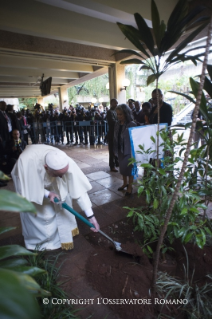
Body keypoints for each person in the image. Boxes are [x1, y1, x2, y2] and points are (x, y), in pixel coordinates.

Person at [11, 145, 100, 251]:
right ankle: (41, 244)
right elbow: (28, 186)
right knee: (41, 213)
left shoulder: (66, 161)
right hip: (27, 177)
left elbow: (79, 191)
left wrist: (92, 217)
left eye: (63, 174)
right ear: (45, 167)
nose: (62, 178)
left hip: (52, 173)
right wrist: (48, 194)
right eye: (59, 175)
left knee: (62, 201)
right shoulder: (25, 161)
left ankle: (59, 237)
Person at [113, 104, 136, 196]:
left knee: (129, 169)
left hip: (129, 150)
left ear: (126, 114)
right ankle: (124, 183)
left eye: (121, 114)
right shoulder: (117, 123)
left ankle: (130, 187)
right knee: (122, 168)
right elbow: (115, 136)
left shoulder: (131, 124)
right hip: (120, 149)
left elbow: (135, 139)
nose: (119, 116)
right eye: (117, 114)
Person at [106, 99, 119, 172]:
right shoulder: (109, 112)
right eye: (115, 103)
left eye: (117, 103)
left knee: (116, 149)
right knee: (112, 150)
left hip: (116, 133)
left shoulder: (116, 111)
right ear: (111, 103)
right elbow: (112, 122)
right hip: (112, 133)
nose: (116, 105)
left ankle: (117, 163)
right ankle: (112, 165)